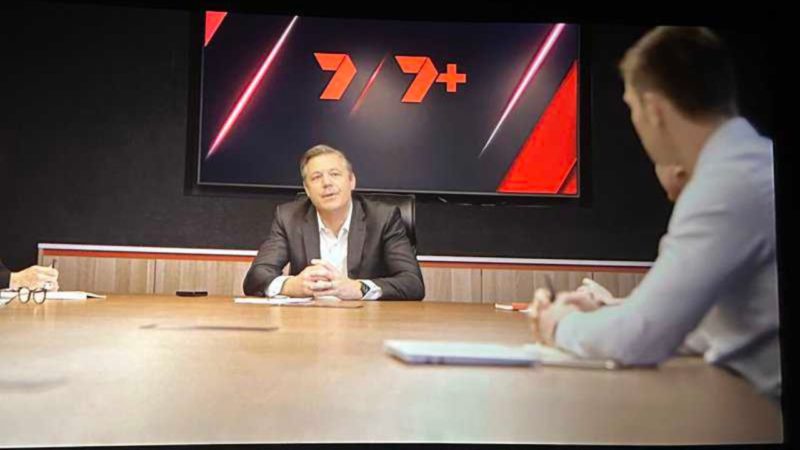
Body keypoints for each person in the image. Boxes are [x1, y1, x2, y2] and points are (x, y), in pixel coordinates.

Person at [530, 27, 780, 398]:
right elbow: (703, 326)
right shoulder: (750, 164)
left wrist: (559, 324)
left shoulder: (726, 185)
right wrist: (607, 312)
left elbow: (638, 339)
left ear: (654, 109)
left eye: (631, 107)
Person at [243, 144, 425, 300]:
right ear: (307, 189)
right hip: (306, 322)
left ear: (351, 181)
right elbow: (255, 278)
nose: (327, 183)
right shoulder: (289, 218)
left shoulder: (383, 218)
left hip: (365, 321)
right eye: (316, 177)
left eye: (335, 174)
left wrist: (358, 288)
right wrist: (292, 286)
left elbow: (412, 283)